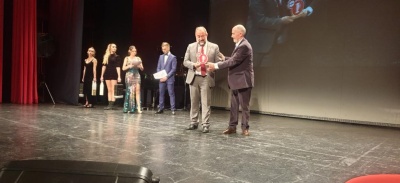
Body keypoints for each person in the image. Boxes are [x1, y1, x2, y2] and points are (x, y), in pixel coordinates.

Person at [207, 24, 254, 136]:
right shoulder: (240, 45)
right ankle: (232, 127)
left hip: (243, 81)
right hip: (235, 81)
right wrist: (224, 58)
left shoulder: (244, 46)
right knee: (233, 106)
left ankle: (245, 128)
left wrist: (216, 65)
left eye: (233, 33)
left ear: (240, 34)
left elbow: (234, 61)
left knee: (244, 106)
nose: (231, 35)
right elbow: (234, 59)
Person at [246, 0, 322, 67]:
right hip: (259, 44)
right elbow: (259, 20)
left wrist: (301, 11)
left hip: (277, 42)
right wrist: (281, 21)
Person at [183, 26, 220, 133]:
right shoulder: (190, 46)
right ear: (195, 36)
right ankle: (193, 122)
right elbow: (185, 61)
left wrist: (212, 66)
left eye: (202, 36)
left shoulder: (214, 47)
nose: (200, 38)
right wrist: (194, 65)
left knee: (205, 102)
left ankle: (205, 124)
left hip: (206, 77)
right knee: (193, 101)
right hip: (194, 77)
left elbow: (218, 63)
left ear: (206, 35)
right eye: (198, 36)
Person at [155, 42, 177, 115]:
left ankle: (173, 109)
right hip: (161, 79)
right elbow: (158, 67)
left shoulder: (173, 57)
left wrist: (166, 77)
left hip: (169, 78)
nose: (163, 50)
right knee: (161, 93)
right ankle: (161, 108)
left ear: (168, 48)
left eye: (165, 49)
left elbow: (173, 69)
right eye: (162, 49)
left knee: (171, 93)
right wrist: (160, 76)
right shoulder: (161, 57)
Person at [122, 45, 144, 114]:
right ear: (130, 51)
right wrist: (129, 66)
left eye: (135, 51)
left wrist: (140, 66)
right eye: (133, 51)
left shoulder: (138, 58)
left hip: (137, 75)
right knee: (130, 91)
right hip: (129, 75)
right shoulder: (127, 58)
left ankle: (139, 108)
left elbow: (142, 69)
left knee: (137, 91)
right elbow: (123, 68)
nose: (135, 52)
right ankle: (129, 108)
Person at [100, 43, 122, 110]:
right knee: (109, 89)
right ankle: (109, 103)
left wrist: (119, 76)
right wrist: (101, 76)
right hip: (107, 73)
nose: (115, 48)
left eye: (115, 47)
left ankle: (112, 103)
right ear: (110, 48)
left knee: (113, 89)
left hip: (114, 74)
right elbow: (104, 66)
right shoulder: (106, 56)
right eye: (113, 47)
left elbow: (118, 67)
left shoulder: (117, 57)